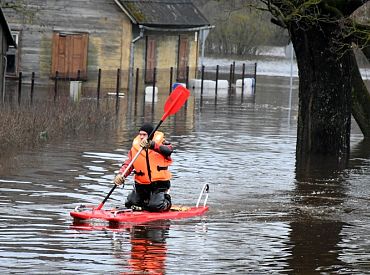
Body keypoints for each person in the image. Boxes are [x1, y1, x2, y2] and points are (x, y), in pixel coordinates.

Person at [114, 123, 173, 212]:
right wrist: (121, 175)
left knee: (156, 206)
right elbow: (128, 164)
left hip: (159, 185)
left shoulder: (162, 144)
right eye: (140, 134)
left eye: (144, 135)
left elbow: (169, 150)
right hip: (142, 184)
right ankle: (146, 202)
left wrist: (152, 145)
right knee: (130, 203)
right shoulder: (135, 148)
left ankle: (166, 201)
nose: (141, 137)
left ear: (150, 135)